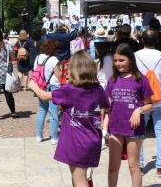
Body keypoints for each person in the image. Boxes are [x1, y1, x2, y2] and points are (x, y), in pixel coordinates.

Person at [28, 51, 109, 187]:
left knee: (79, 178)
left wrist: (32, 85)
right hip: (92, 140)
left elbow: (44, 96)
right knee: (77, 174)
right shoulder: (98, 89)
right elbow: (106, 108)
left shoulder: (69, 89)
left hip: (75, 141)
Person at [103, 43, 154, 187]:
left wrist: (139, 110)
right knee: (113, 167)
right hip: (115, 129)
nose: (118, 64)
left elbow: (150, 104)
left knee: (133, 166)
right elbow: (107, 107)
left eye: (121, 60)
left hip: (134, 130)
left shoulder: (141, 79)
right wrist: (104, 129)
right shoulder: (112, 80)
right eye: (115, 60)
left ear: (130, 59)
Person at [135, 30, 161, 177]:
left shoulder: (135, 55)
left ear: (142, 40)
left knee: (139, 134)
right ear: (157, 40)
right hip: (159, 98)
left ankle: (140, 166)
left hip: (142, 99)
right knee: (160, 132)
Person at [32, 38, 61, 144]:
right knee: (54, 113)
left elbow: (35, 71)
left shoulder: (38, 57)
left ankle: (39, 136)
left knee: (42, 110)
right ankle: (54, 138)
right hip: (53, 87)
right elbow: (58, 76)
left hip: (41, 86)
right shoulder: (54, 59)